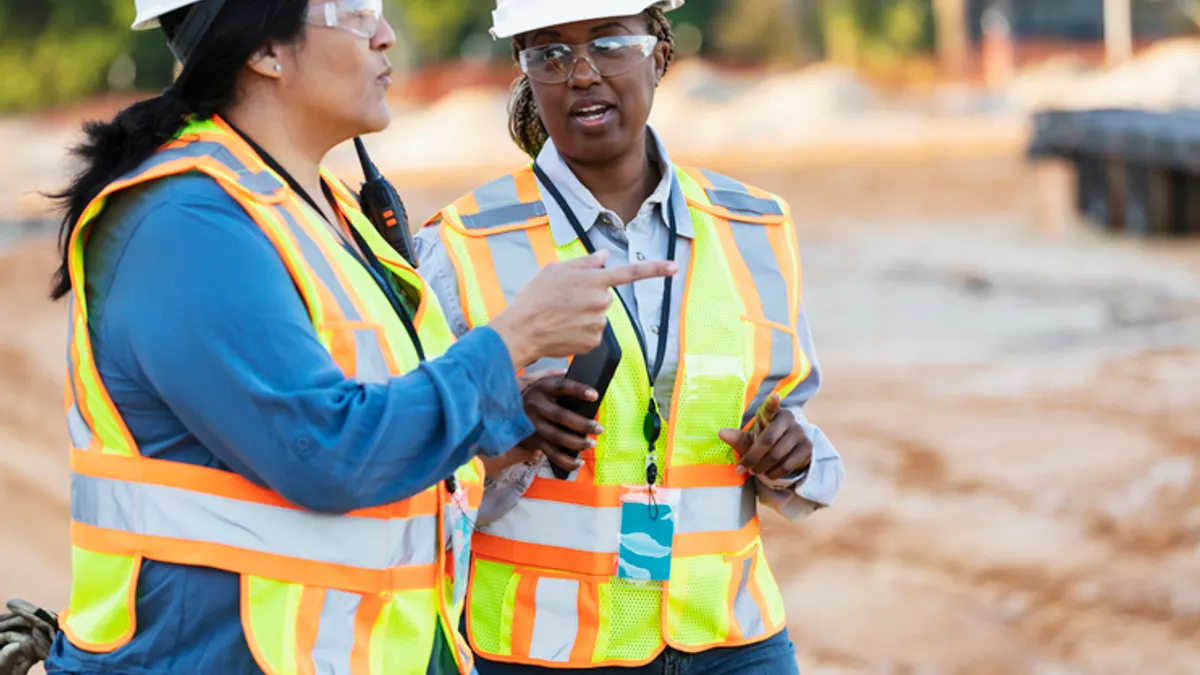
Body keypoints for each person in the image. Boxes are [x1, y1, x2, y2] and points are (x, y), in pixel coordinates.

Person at [12, 1, 676, 674]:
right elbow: (325, 451)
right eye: (355, 11)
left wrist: (494, 427)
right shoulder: (185, 223)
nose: (384, 33)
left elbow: (376, 437)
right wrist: (513, 341)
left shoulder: (324, 213)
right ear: (264, 50)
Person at [412, 1, 845, 673]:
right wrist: (504, 430)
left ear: (660, 53)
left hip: (729, 636)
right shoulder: (460, 245)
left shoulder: (753, 226)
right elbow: (414, 463)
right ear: (525, 73)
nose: (581, 73)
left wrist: (791, 453)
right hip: (543, 646)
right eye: (549, 53)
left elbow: (786, 420)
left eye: (610, 43)